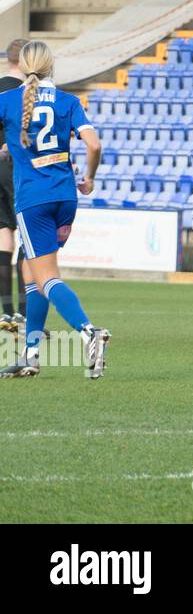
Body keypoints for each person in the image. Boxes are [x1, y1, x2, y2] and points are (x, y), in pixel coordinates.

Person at [0, 41, 110, 379]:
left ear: (20, 65)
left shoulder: (6, 100)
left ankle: (89, 332)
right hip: (65, 197)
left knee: (46, 277)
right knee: (34, 275)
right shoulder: (68, 101)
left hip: (34, 198)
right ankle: (30, 354)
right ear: (51, 66)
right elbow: (94, 143)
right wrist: (89, 178)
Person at [0, 38, 27, 333]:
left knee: (3, 239)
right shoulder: (26, 94)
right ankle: (23, 312)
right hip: (19, 169)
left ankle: (6, 312)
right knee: (28, 241)